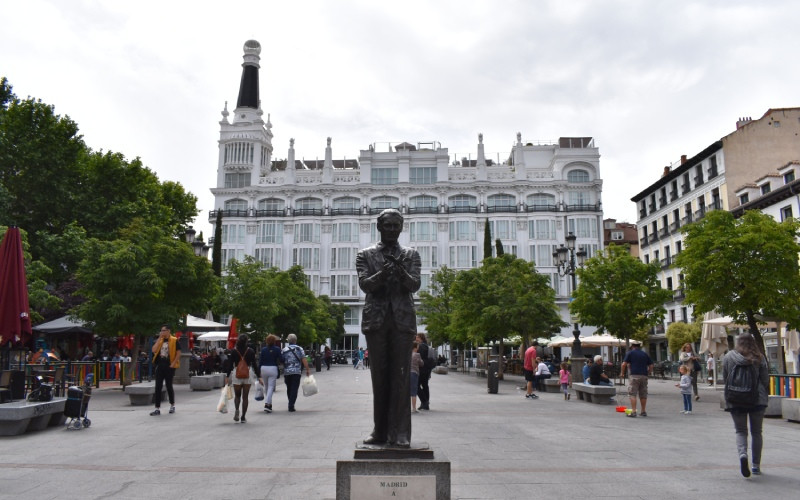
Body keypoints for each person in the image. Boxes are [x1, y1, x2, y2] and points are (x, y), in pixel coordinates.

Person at [356, 208, 421, 448]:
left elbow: (414, 285)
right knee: (379, 379)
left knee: (401, 377)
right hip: (377, 321)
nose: (392, 230)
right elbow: (365, 285)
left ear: (401, 228)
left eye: (396, 226)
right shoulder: (365, 255)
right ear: (379, 227)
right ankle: (380, 431)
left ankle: (401, 433)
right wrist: (385, 273)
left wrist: (400, 271)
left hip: (402, 322)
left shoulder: (411, 255)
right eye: (388, 225)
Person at [722, 333, 769, 477]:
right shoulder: (759, 357)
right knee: (756, 432)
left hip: (736, 398)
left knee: (741, 431)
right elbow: (765, 379)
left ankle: (743, 456)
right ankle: (756, 465)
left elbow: (725, 377)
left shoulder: (729, 356)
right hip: (757, 398)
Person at [225, 333, 258, 423]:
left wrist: (227, 376)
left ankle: (236, 410)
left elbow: (230, 364)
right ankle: (243, 417)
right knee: (245, 397)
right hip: (247, 373)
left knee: (237, 395)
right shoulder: (250, 351)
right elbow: (255, 364)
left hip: (237, 374)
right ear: (247, 341)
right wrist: (259, 376)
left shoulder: (234, 351)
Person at [150, 324, 180, 416]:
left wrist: (173, 363)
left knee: (169, 385)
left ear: (168, 331)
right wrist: (159, 338)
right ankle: (157, 408)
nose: (162, 332)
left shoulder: (174, 340)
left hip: (169, 365)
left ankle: (172, 405)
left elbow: (178, 353)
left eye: (163, 330)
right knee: (158, 386)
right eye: (161, 330)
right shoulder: (161, 340)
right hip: (160, 364)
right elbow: (153, 350)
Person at [620, 343, 653, 418]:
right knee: (643, 394)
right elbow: (651, 365)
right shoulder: (645, 354)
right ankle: (643, 411)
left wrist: (622, 373)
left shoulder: (630, 353)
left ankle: (634, 411)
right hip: (644, 376)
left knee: (632, 394)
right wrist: (648, 372)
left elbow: (623, 364)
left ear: (632, 346)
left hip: (634, 375)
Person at [281, 334, 310, 412]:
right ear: (295, 340)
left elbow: (282, 360)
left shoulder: (284, 350)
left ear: (288, 341)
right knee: (294, 388)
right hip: (296, 372)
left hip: (287, 372)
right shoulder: (299, 349)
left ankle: (290, 402)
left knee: (289, 388)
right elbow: (303, 359)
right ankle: (291, 404)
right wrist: (307, 369)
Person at [259, 334, 282, 413]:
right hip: (272, 368)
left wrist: (258, 373)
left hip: (263, 368)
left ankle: (269, 404)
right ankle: (267, 404)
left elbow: (260, 361)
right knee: (271, 387)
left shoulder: (263, 349)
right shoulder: (277, 349)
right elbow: (281, 359)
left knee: (266, 387)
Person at [415, 333, 433, 410]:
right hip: (426, 369)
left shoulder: (421, 346)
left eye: (417, 337)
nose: (416, 338)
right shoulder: (426, 345)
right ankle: (425, 403)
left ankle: (424, 401)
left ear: (421, 338)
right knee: (425, 385)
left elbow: (419, 357)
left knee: (416, 385)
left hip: (422, 369)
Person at [410, 342, 423, 413]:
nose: (418, 347)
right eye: (418, 346)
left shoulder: (407, 354)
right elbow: (421, 363)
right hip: (414, 373)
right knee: (413, 392)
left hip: (407, 374)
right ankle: (414, 408)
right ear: (415, 347)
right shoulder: (417, 355)